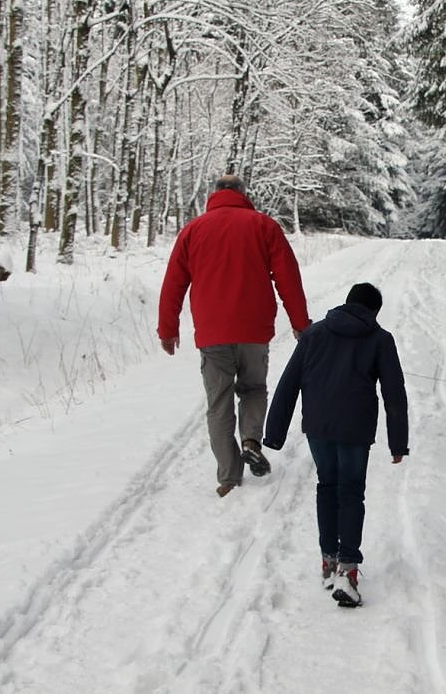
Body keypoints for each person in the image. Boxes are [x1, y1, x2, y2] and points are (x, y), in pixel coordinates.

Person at [158, 174, 312, 498]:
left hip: (212, 332)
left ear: (214, 194)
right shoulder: (263, 226)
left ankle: (228, 477)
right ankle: (251, 440)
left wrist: (168, 330)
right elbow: (288, 276)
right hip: (254, 330)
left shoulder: (193, 230)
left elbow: (173, 282)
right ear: (244, 194)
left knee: (219, 403)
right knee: (253, 388)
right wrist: (300, 323)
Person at [263, 282, 408, 608]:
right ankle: (347, 570)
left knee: (327, 486)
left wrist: (275, 432)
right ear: (373, 311)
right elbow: (394, 393)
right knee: (351, 492)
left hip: (319, 427)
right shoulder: (380, 339)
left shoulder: (314, 334)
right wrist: (398, 441)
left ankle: (328, 561)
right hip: (355, 429)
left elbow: (288, 382)